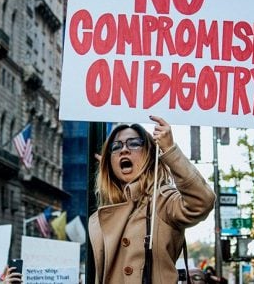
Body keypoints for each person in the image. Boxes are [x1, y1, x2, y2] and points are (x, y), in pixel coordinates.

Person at [88, 115, 216, 284]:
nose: (124, 150)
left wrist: (170, 150)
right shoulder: (98, 219)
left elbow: (202, 201)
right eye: (116, 147)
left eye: (134, 143)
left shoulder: (163, 200)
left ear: (149, 154)